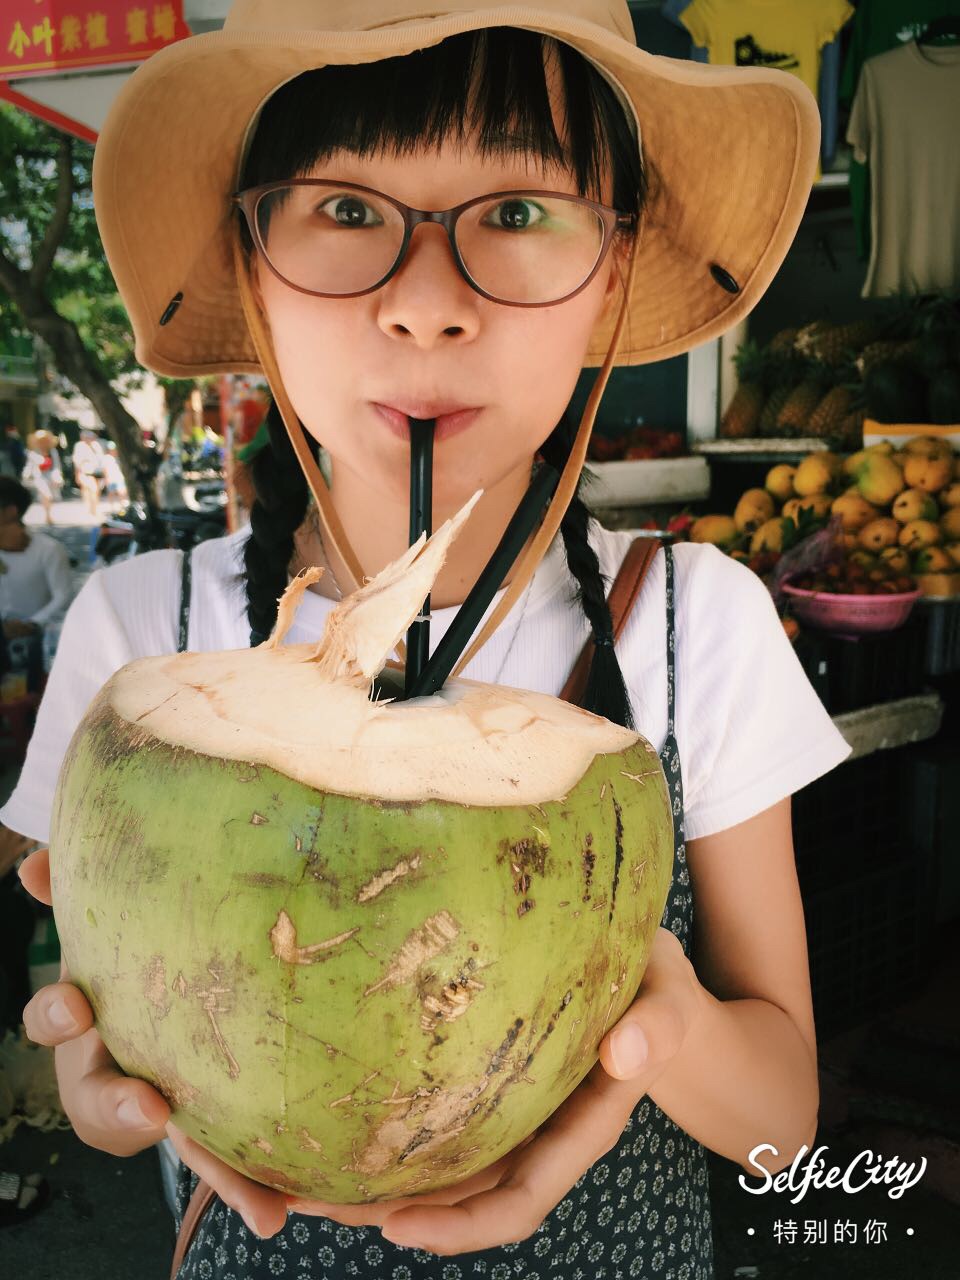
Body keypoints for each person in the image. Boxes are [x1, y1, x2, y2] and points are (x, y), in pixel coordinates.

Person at [10, 3, 848, 1277]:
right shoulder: (147, 641)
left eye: (514, 214)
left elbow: (786, 1129)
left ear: (611, 271)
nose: (424, 305)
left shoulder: (698, 624)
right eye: (346, 210)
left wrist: (652, 1027)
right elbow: (101, 1071)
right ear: (253, 261)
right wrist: (98, 1084)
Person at [0, 477, 75, 673]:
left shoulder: (48, 549)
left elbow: (63, 595)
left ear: (11, 512)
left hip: (40, 642)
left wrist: (33, 623)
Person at [20, 430, 63, 526]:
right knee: (47, 495)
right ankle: (47, 515)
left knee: (50, 497)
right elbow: (29, 466)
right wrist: (26, 475)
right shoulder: (33, 453)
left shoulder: (53, 452)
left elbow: (57, 465)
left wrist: (58, 476)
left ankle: (48, 514)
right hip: (39, 477)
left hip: (51, 476)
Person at [70, 428, 107, 517]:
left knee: (95, 490)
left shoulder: (96, 445)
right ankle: (90, 509)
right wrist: (77, 474)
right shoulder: (79, 446)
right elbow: (77, 461)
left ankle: (93, 508)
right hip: (85, 472)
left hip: (97, 472)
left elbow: (101, 460)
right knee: (89, 489)